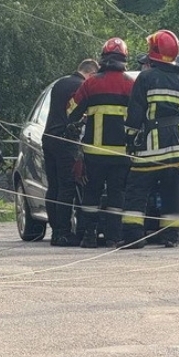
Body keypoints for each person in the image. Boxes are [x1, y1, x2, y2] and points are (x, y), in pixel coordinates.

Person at [121, 30, 179, 249]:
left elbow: (135, 113)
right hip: (176, 147)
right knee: (171, 192)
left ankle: (134, 235)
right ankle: (170, 236)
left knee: (137, 191)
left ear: (153, 51)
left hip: (149, 147)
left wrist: (129, 138)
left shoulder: (146, 78)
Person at [67, 38, 134, 248]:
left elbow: (71, 112)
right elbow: (139, 117)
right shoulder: (130, 84)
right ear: (124, 59)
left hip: (94, 152)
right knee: (117, 195)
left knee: (92, 194)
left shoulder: (91, 83)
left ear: (103, 58)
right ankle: (114, 237)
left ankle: (89, 235)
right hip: (122, 153)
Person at [42, 58, 99, 247]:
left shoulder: (60, 83)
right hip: (66, 141)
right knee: (67, 188)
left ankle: (56, 231)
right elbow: (80, 116)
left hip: (49, 137)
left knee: (54, 186)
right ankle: (64, 233)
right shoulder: (82, 86)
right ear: (90, 74)